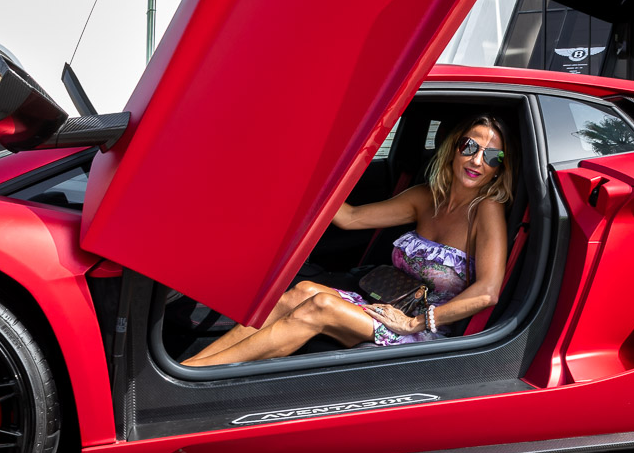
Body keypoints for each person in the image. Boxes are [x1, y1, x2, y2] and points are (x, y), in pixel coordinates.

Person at [182, 115, 515, 366]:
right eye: (470, 147)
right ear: (454, 148)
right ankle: (190, 368)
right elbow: (350, 217)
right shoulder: (425, 197)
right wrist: (295, 170)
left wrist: (416, 321)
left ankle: (198, 377)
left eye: (492, 156)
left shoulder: (486, 209)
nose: (477, 161)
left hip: (423, 329)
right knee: (302, 291)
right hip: (392, 305)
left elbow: (487, 292)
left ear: (500, 168)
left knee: (320, 305)